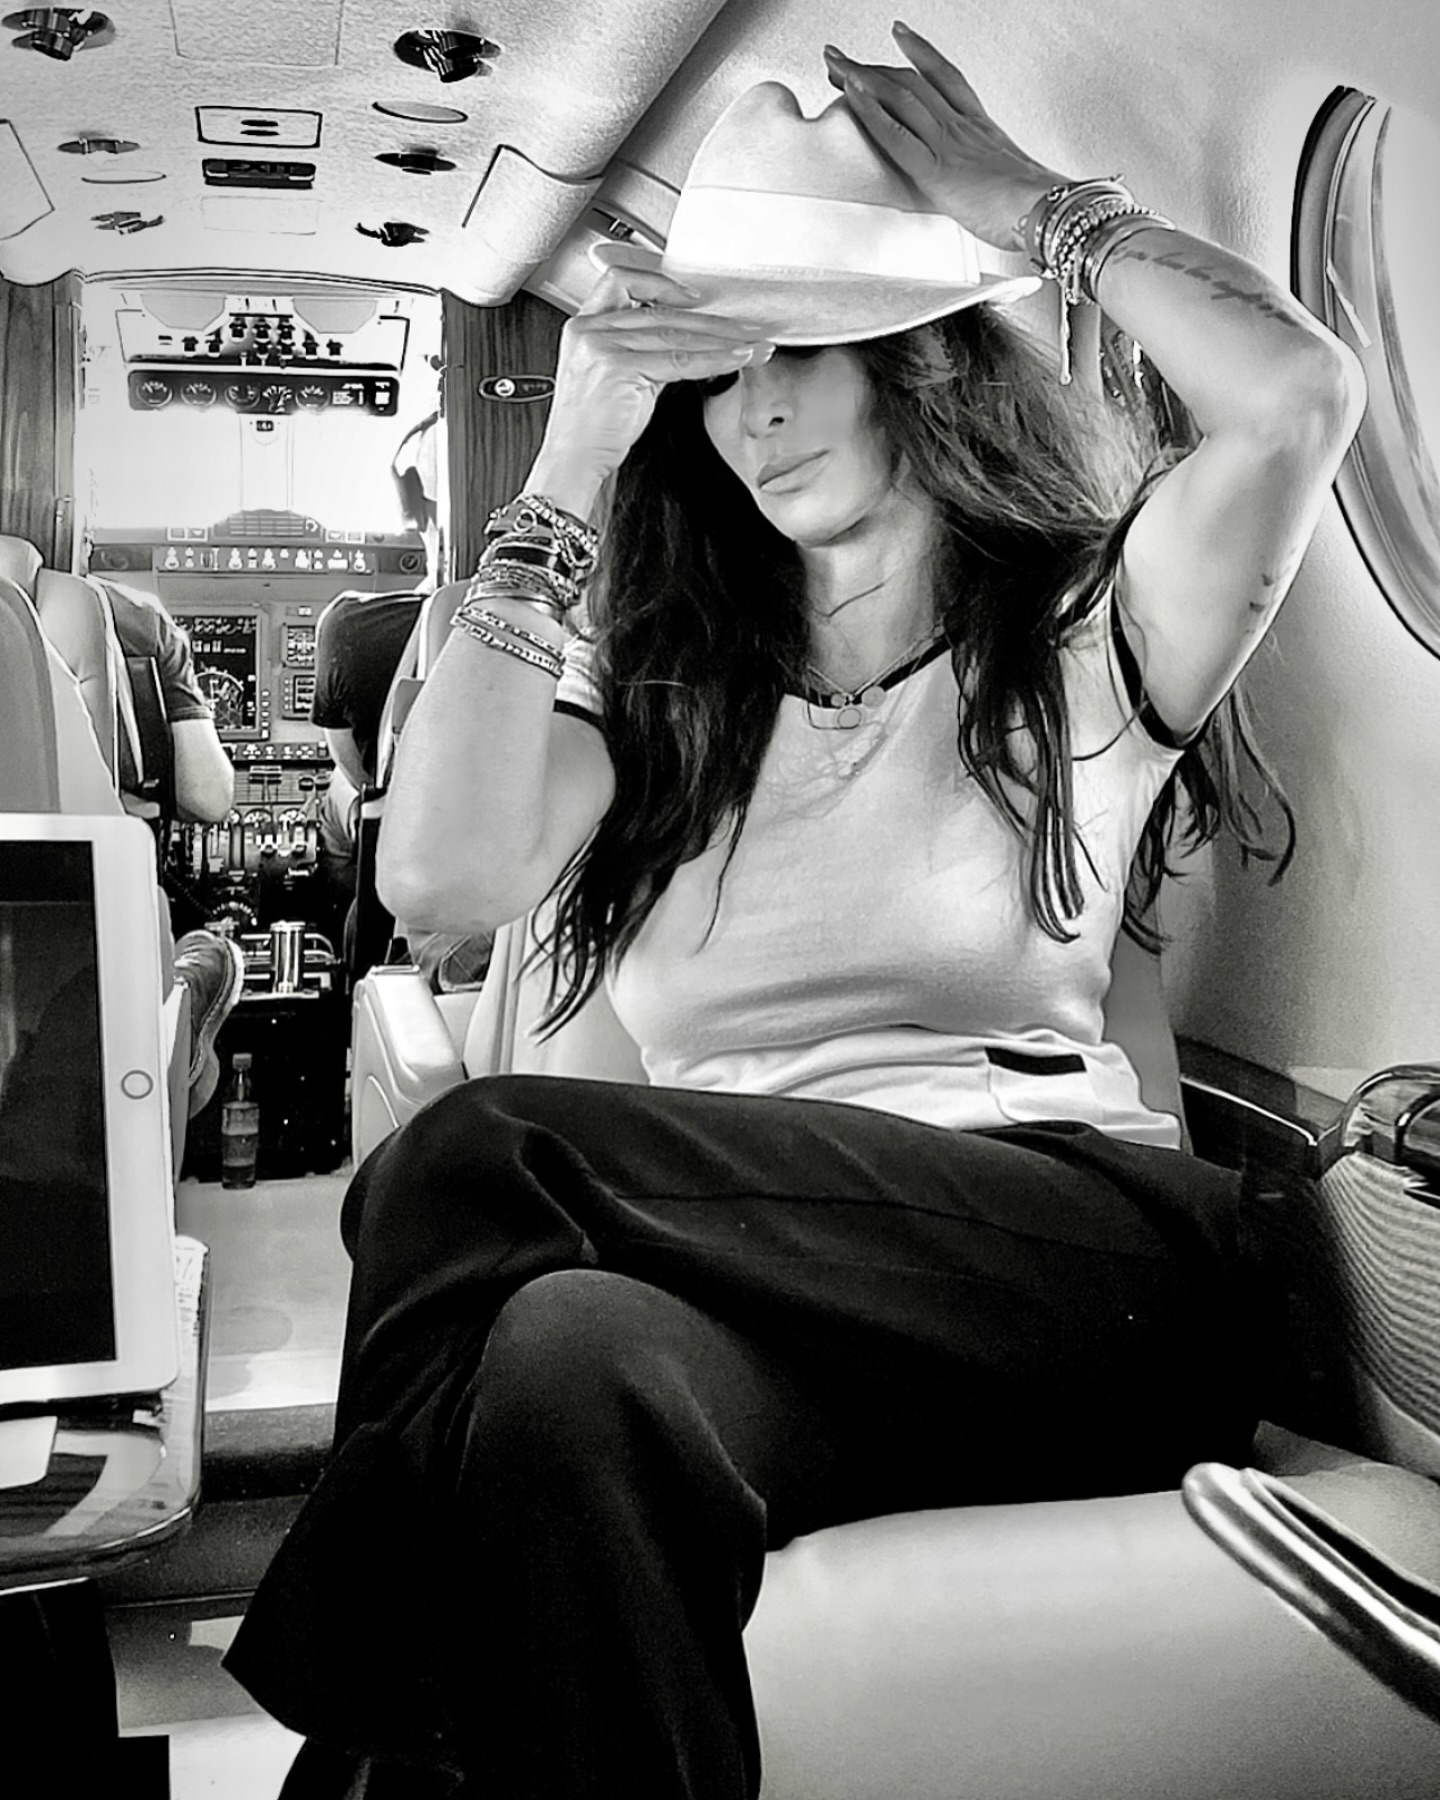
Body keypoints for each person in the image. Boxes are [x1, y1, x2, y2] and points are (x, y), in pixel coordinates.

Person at [227, 26, 1364, 1798]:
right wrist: (570, 459)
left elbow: (1295, 398)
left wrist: (1029, 206)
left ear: (926, 358)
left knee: (476, 1155)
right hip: (748, 1291)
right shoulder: (661, 697)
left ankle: (352, 1734)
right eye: (719, 370)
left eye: (804, 352)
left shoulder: (1088, 633)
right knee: (566, 1364)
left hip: (1073, 1268)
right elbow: (437, 883)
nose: (751, 413)